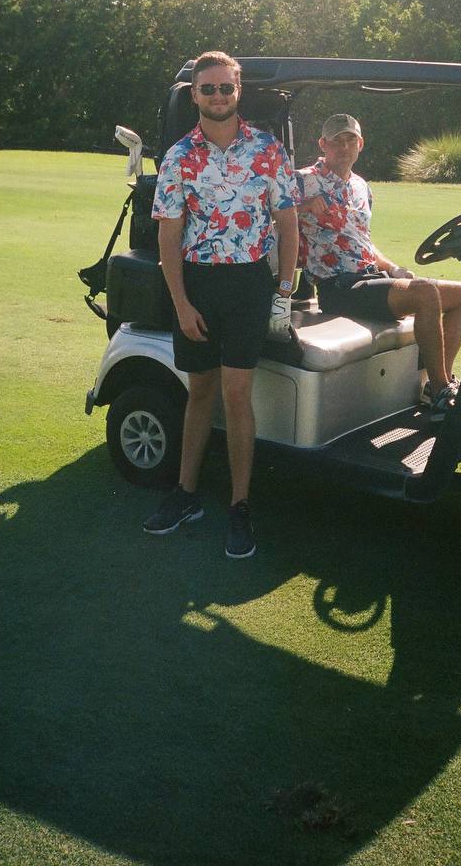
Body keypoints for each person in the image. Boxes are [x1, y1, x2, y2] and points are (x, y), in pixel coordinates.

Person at [144, 51, 300, 558]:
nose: (217, 96)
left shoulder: (267, 149)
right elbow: (168, 238)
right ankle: (186, 494)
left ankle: (239, 506)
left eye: (225, 88)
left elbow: (288, 224)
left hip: (249, 285)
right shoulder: (178, 156)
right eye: (207, 89)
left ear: (239, 91)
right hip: (198, 285)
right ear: (194, 95)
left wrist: (283, 289)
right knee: (199, 391)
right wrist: (182, 304)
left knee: (236, 392)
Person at [297, 114, 461, 422]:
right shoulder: (303, 180)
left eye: (350, 140)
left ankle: (437, 385)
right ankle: (441, 390)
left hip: (371, 279)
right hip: (339, 288)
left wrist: (394, 269)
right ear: (323, 145)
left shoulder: (361, 186)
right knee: (424, 294)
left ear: (360, 144)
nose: (343, 147)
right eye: (336, 141)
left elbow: (363, 243)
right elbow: (266, 217)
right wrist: (301, 207)